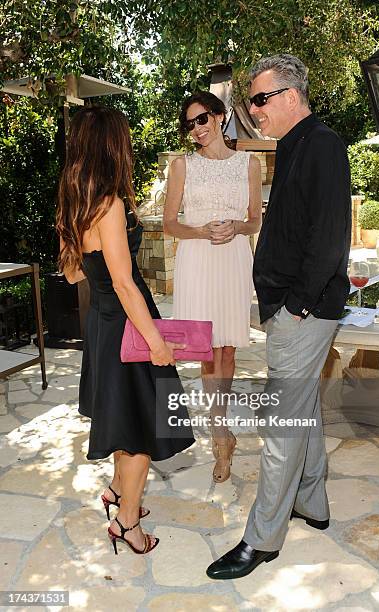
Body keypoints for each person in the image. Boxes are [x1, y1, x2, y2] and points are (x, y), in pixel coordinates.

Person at [207, 54, 351, 579]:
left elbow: (330, 235)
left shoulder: (324, 145)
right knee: (302, 406)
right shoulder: (292, 148)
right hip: (288, 307)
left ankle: (262, 538)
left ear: (291, 96)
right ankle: (312, 502)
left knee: (282, 425)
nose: (252, 109)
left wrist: (298, 305)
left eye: (260, 99)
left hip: (301, 310)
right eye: (251, 99)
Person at [56, 106, 195, 557]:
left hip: (102, 321)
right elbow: (123, 281)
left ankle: (118, 490)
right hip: (127, 325)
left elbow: (74, 273)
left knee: (123, 418)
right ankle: (128, 525)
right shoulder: (111, 202)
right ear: (113, 145)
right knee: (140, 431)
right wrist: (156, 341)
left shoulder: (74, 197)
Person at [164, 91, 262, 483]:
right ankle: (220, 434)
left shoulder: (249, 164)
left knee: (227, 347)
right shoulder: (181, 166)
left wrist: (237, 226)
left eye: (202, 119)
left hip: (234, 258)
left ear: (220, 116)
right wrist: (201, 231)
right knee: (206, 349)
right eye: (190, 125)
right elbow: (170, 224)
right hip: (198, 259)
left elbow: (255, 220)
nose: (197, 130)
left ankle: (220, 430)